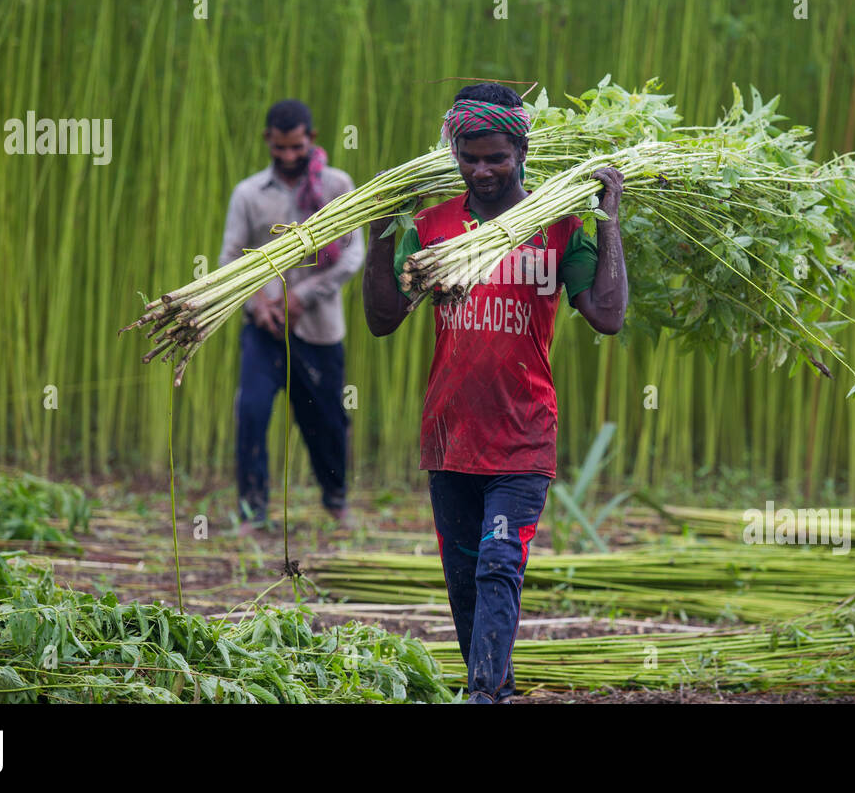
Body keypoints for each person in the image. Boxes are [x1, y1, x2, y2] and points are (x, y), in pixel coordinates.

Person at [362, 82, 627, 702]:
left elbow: (608, 315)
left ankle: (481, 697)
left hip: (523, 436)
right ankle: (495, 689)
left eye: (496, 157)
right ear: (453, 152)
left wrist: (610, 220)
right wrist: (377, 226)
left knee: (499, 566)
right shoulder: (430, 226)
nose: (482, 170)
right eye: (469, 157)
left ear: (521, 151)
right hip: (448, 434)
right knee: (462, 583)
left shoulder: (559, 226)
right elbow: (382, 318)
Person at [219, 100, 365, 534]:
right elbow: (231, 258)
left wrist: (303, 295)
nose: (287, 156)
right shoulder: (248, 193)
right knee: (251, 410)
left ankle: (337, 502)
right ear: (268, 140)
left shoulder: (337, 186)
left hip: (319, 330)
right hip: (264, 329)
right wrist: (257, 304)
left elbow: (353, 251)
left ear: (311, 139)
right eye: (279, 147)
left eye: (296, 147)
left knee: (326, 420)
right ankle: (252, 510)